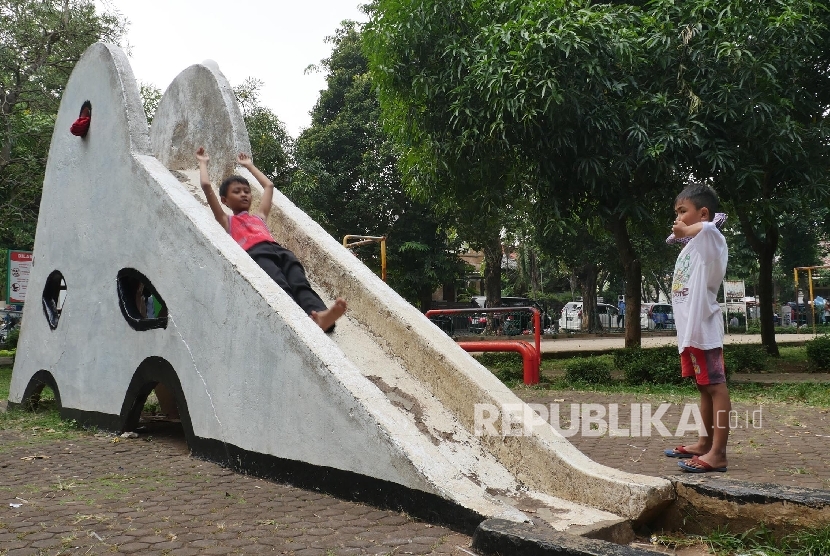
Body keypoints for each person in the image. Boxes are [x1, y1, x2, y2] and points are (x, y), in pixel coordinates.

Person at [196, 147, 346, 332]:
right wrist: (203, 163)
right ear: (225, 200)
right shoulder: (227, 221)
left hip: (281, 252)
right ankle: (299, 320)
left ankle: (321, 316)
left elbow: (269, 186)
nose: (244, 194)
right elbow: (205, 185)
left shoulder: (259, 217)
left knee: (299, 283)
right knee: (280, 286)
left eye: (246, 191)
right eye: (237, 191)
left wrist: (250, 166)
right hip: (257, 254)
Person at [663, 184, 730, 473]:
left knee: (716, 388)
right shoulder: (692, 246)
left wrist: (688, 230)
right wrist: (684, 234)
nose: (677, 218)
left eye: (682, 212)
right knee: (703, 388)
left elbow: (709, 229)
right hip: (690, 333)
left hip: (704, 330)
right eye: (675, 213)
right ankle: (704, 443)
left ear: (702, 213)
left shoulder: (711, 238)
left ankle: (718, 453)